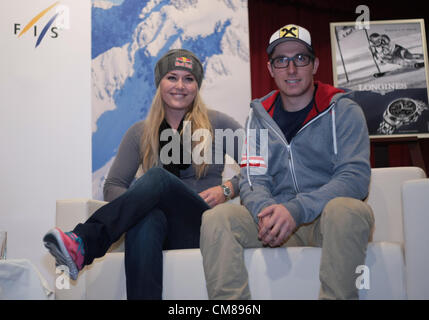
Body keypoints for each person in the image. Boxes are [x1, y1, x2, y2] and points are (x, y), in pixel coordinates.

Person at [43, 49, 243, 299]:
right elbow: (113, 186)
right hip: (159, 231)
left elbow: (263, 166)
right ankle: (84, 245)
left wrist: (227, 189)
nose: (180, 85)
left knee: (157, 178)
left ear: (197, 86)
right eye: (172, 77)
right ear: (160, 82)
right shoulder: (140, 132)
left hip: (201, 226)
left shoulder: (219, 124)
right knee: (147, 219)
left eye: (189, 79)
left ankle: (85, 242)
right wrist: (142, 202)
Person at [200, 24, 375, 300]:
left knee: (347, 209)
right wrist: (269, 212)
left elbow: (354, 177)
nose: (291, 69)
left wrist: (296, 210)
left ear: (315, 64)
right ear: (271, 69)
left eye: (300, 58)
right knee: (217, 218)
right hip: (276, 222)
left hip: (325, 221)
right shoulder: (258, 116)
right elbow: (252, 178)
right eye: (281, 60)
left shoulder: (342, 109)